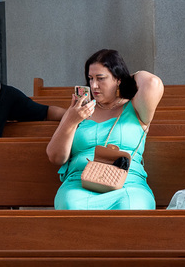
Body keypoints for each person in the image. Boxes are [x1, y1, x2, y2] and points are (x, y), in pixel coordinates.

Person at [45, 49, 164, 210]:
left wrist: (126, 77)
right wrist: (71, 121)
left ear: (118, 79)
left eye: (101, 78)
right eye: (90, 78)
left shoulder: (136, 108)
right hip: (80, 182)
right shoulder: (78, 112)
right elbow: (55, 157)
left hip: (128, 183)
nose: (94, 85)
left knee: (132, 207)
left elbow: (153, 83)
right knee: (71, 204)